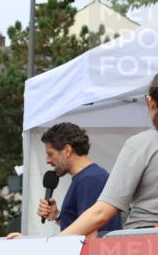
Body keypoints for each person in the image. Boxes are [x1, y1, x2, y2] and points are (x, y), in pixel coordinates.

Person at [58, 77, 158, 235]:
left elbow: (101, 214)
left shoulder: (141, 144)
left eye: (50, 154)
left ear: (151, 102)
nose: (47, 160)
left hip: (145, 243)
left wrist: (50, 243)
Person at [37, 122, 121, 233]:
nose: (47, 160)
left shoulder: (90, 180)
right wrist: (57, 216)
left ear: (67, 150)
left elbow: (90, 234)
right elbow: (82, 228)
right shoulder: (86, 178)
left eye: (50, 154)